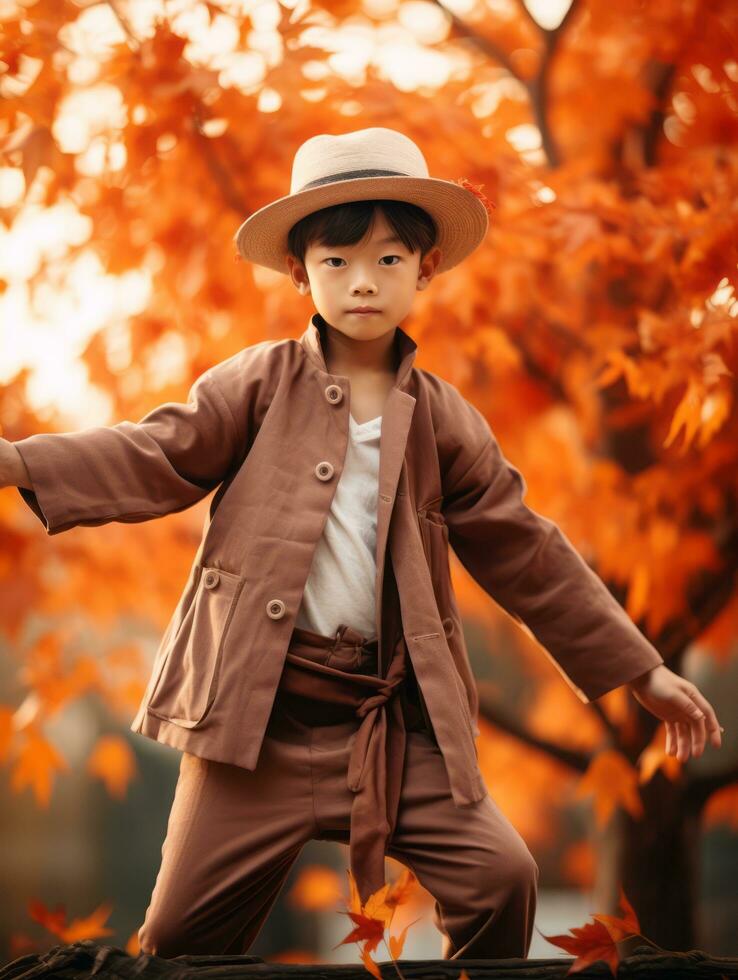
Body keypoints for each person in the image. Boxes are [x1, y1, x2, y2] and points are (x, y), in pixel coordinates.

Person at [1, 128, 723, 962]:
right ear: (301, 274)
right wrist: (21, 459)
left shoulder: (446, 419)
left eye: (387, 260)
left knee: (503, 879)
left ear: (426, 270)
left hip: (392, 728)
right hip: (253, 725)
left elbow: (527, 548)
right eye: (337, 263)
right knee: (173, 941)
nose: (363, 282)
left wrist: (642, 670)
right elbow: (156, 451)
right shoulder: (258, 383)